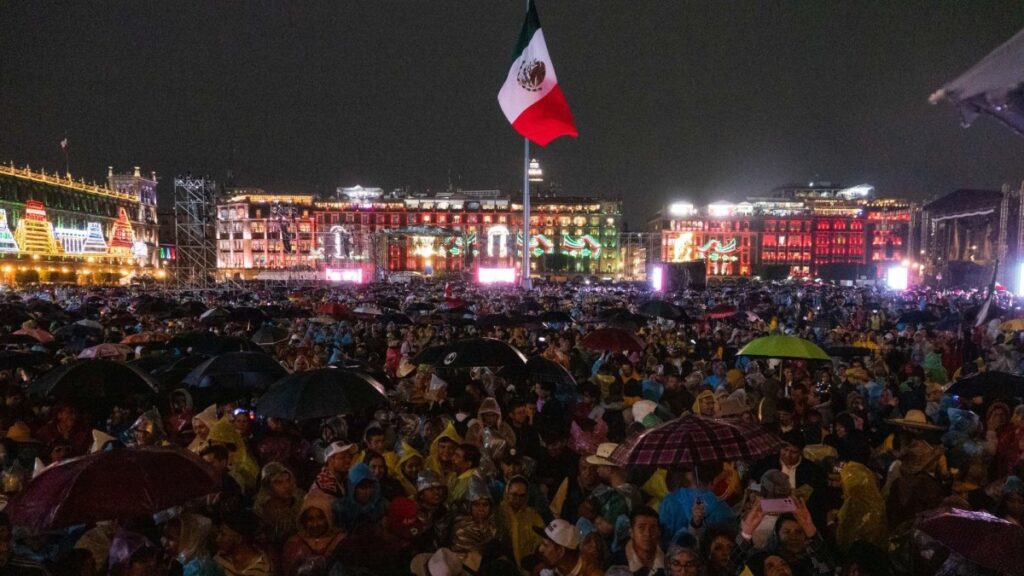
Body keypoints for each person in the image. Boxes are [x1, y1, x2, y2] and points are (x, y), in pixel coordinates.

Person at [280, 499, 344, 576]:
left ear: (328, 518)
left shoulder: (341, 541)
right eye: (310, 519)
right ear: (303, 520)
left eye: (320, 518)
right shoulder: (294, 543)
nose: (315, 524)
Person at [496, 475, 544, 573]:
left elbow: (541, 542)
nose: (517, 500)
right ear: (507, 493)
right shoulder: (498, 513)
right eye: (514, 495)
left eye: (522, 496)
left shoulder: (533, 516)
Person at [607, 506, 666, 575]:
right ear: (631, 532)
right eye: (641, 527)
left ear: (659, 532)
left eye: (653, 528)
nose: (647, 533)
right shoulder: (616, 563)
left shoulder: (670, 560)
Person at [533, 519, 602, 576]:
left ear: (561, 551)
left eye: (545, 545)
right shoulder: (553, 570)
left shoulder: (591, 573)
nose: (540, 549)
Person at [213, 511, 271, 576]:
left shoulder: (262, 571)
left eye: (223, 534)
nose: (217, 539)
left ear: (239, 538)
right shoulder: (220, 558)